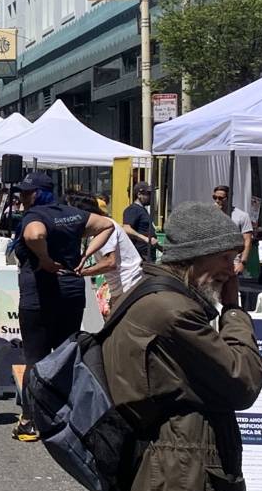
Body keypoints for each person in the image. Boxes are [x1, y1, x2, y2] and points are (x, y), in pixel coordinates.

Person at [103, 202, 262, 491]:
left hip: (171, 475)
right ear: (195, 256)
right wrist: (235, 312)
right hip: (185, 487)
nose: (232, 268)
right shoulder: (173, 312)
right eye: (225, 257)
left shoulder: (152, 297)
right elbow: (244, 381)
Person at [11, 172, 113, 442]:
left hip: (40, 293)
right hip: (71, 289)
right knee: (67, 354)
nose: (21, 197)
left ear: (37, 194)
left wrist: (43, 258)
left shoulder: (35, 216)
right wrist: (87, 255)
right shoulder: (72, 213)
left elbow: (34, 235)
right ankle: (66, 414)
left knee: (36, 356)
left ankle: (29, 420)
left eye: (25, 192)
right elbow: (107, 225)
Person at [70, 194, 144, 315]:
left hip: (128, 286)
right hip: (122, 287)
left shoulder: (105, 228)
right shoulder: (97, 229)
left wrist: (81, 272)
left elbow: (110, 263)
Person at [213, 186, 254, 276]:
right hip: (214, 262)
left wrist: (242, 263)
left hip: (233, 262)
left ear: (229, 198)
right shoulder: (211, 214)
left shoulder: (242, 216)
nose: (217, 200)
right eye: (214, 197)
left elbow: (247, 241)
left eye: (220, 198)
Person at [123, 182, 158, 262]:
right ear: (139, 194)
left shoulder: (142, 210)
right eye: (148, 194)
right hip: (140, 255)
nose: (151, 197)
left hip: (147, 255)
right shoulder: (133, 209)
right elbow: (126, 229)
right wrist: (145, 239)